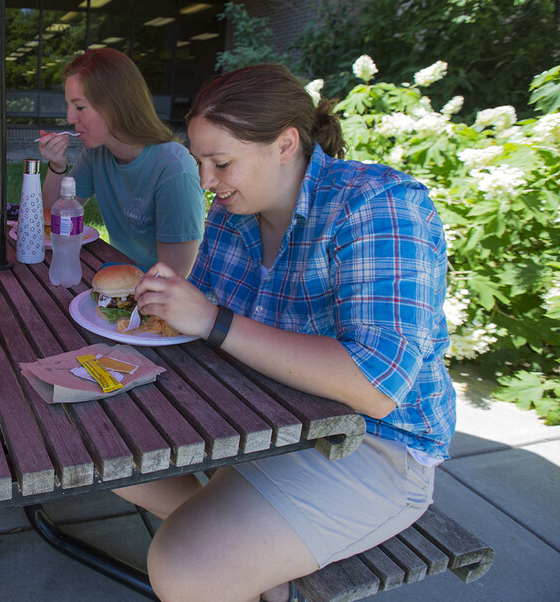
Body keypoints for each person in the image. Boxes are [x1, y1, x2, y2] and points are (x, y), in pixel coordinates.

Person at [119, 64, 456, 602]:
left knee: (184, 568)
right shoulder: (236, 212)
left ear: (285, 144)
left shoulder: (377, 205)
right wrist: (168, 311)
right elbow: (202, 328)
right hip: (262, 418)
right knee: (104, 449)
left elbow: (376, 386)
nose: (206, 182)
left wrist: (210, 319)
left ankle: (249, 560)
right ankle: (260, 560)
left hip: (371, 444)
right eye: (201, 163)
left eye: (221, 162)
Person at [36, 47, 204, 276]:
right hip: (119, 272)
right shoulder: (97, 153)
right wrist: (57, 165)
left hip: (164, 295)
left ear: (116, 105)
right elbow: (51, 215)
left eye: (79, 106)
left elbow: (173, 276)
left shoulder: (174, 169)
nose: (69, 117)